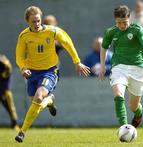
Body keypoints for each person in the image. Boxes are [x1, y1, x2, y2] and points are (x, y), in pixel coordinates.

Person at [15, 6, 90, 143]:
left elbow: (67, 42)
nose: (36, 24)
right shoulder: (24, 36)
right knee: (35, 101)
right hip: (32, 72)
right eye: (33, 22)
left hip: (49, 71)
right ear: (27, 22)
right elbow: (19, 56)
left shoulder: (52, 31)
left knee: (38, 98)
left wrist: (77, 62)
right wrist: (23, 68)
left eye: (38, 20)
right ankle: (49, 100)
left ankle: (22, 132)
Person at [99, 5, 143, 129]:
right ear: (115, 20)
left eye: (124, 22)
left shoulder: (137, 29)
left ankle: (138, 113)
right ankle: (124, 128)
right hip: (119, 67)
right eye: (119, 23)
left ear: (129, 18)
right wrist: (102, 66)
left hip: (138, 68)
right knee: (118, 94)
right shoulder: (111, 32)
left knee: (133, 106)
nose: (122, 25)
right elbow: (103, 47)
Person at [0, 54, 19, 129]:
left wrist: (3, 61)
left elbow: (8, 67)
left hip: (5, 90)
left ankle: (14, 124)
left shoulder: (5, 65)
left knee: (10, 108)